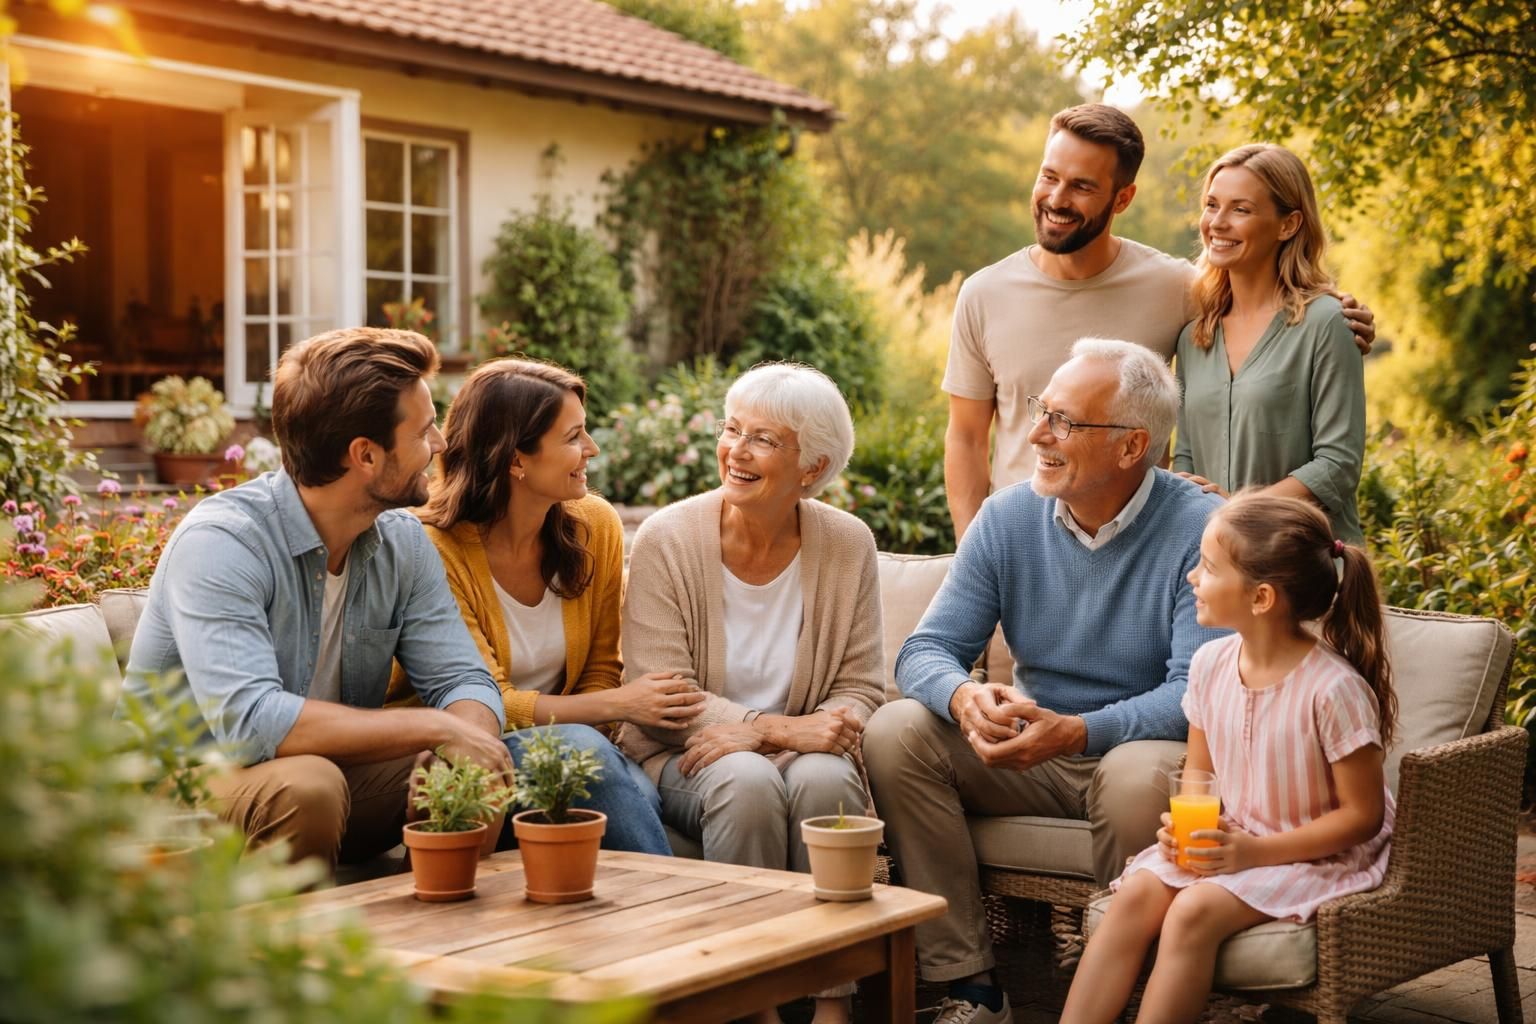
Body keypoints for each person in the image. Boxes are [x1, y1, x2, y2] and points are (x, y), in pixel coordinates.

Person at [864, 339, 1227, 1024]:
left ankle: (1137, 993)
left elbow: (1194, 695)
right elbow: (926, 651)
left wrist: (1080, 732)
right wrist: (964, 696)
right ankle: (969, 983)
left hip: (1134, 752)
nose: (1036, 434)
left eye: (1063, 420)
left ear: (1130, 447)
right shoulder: (1007, 518)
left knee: (1137, 776)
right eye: (1041, 412)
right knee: (896, 732)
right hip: (1030, 752)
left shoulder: (1201, 529)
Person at [120, 328, 512, 871]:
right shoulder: (222, 542)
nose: (441, 445)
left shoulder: (402, 541)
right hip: (180, 796)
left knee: (474, 763)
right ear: (365, 455)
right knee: (310, 786)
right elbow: (252, 723)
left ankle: (434, 940)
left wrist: (466, 736)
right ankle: (291, 955)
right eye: (425, 431)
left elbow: (462, 680)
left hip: (326, 781)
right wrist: (435, 726)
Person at [943, 103, 1375, 539]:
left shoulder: (1179, 291)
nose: (1057, 198)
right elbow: (966, 439)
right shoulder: (983, 293)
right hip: (1021, 544)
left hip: (1142, 549)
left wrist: (1338, 311)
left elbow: (1271, 305)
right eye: (1049, 176)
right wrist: (972, 550)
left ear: (1123, 198)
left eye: (1082, 186)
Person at [1061, 493, 1396, 1024]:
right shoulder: (1210, 664)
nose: (1193, 577)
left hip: (1314, 854)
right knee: (1134, 897)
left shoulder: (1333, 690)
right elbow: (1199, 774)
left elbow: (1363, 817)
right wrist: (1182, 825)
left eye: (1209, 567)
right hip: (1234, 838)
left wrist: (1253, 855)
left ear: (1261, 597)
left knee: (1193, 910)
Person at [618, 362, 885, 1024]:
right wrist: (773, 729)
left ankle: (832, 1000)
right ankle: (751, 1004)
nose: (735, 450)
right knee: (747, 779)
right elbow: (662, 689)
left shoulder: (848, 544)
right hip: (688, 755)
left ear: (811, 466)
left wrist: (787, 736)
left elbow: (861, 685)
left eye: (763, 439)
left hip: (799, 753)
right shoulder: (667, 538)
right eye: (732, 429)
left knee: (827, 780)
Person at [383, 359, 690, 854]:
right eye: (573, 437)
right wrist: (617, 706)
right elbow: (481, 700)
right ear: (515, 459)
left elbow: (600, 668)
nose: (591, 449)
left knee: (623, 783)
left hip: (572, 749)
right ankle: (674, 920)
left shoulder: (595, 524)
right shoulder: (432, 547)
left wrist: (603, 708)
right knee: (587, 758)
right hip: (463, 757)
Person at [1172, 143, 1366, 543]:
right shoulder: (1195, 337)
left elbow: (1338, 464)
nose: (1217, 222)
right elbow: (1187, 457)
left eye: (1240, 210)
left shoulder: (1327, 322)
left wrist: (1239, 513)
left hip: (1305, 565)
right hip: (1218, 567)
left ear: (1288, 225)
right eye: (1212, 205)